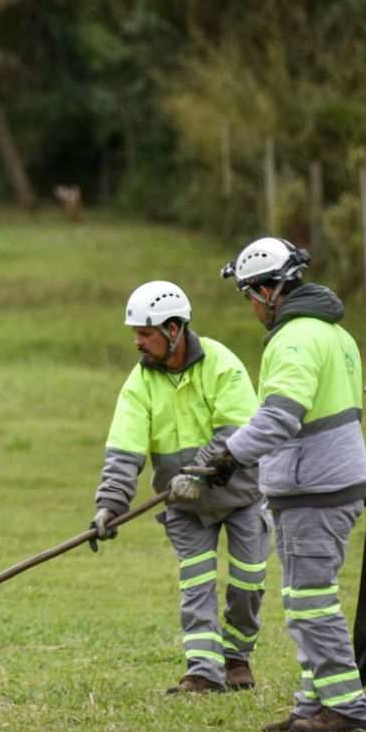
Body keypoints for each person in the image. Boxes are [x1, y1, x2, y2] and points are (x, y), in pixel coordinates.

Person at [196, 236, 366, 732]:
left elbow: (279, 417)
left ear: (268, 291)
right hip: (323, 484)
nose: (251, 308)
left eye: (249, 296)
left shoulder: (295, 339)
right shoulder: (333, 334)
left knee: (312, 599)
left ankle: (345, 707)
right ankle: (311, 704)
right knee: (303, 600)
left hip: (316, 486)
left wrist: (229, 454)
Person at [89, 281, 268, 694]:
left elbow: (236, 431)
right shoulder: (140, 382)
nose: (137, 342)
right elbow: (125, 449)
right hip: (183, 508)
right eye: (134, 332)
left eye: (145, 333)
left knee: (247, 584)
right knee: (196, 586)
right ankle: (203, 670)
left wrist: (198, 472)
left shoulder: (222, 363)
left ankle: (237, 659)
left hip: (240, 495)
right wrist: (109, 505)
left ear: (173, 330)